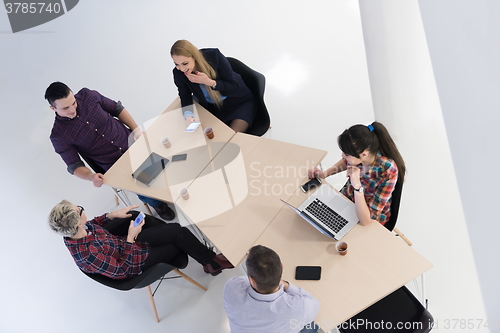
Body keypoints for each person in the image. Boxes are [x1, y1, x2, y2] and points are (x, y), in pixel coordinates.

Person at [45, 81, 176, 220]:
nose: (72, 109)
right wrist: (91, 176)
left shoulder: (88, 95)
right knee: (141, 184)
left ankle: (171, 188)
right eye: (65, 108)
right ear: (53, 108)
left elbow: (117, 109)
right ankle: (158, 204)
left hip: (131, 142)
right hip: (114, 164)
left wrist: (136, 129)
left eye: (74, 103)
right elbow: (74, 166)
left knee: (166, 158)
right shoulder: (59, 136)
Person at [48, 200, 234, 279]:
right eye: (80, 210)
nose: (83, 209)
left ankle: (211, 262)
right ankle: (212, 263)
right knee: (176, 241)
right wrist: (130, 237)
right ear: (78, 223)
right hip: (134, 263)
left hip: (124, 243)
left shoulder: (77, 230)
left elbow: (94, 222)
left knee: (176, 230)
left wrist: (111, 215)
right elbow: (122, 271)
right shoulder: (88, 255)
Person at [308, 121, 406, 226]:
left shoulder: (388, 170)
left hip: (366, 216)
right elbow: (347, 161)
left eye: (346, 153)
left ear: (364, 154)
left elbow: (367, 220)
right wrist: (325, 173)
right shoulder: (359, 156)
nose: (342, 155)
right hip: (347, 200)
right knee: (314, 217)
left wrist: (357, 187)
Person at [224, 245, 320, 333]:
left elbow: (247, 280)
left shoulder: (232, 288)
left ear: (252, 280)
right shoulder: (300, 307)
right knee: (312, 325)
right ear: (282, 267)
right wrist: (286, 284)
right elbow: (314, 304)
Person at [170, 39, 255, 133]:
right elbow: (185, 96)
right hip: (214, 108)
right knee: (208, 138)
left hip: (238, 101)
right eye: (176, 64)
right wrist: (188, 116)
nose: (181, 69)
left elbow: (234, 87)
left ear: (194, 56)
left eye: (185, 63)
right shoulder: (178, 73)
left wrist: (210, 82)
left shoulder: (214, 56)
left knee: (231, 138)